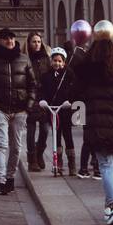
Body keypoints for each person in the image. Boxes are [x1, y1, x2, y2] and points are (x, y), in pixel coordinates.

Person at [69, 19, 113, 225]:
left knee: (106, 165)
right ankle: (112, 205)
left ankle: (112, 205)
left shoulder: (85, 67)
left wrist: (76, 112)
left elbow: (75, 94)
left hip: (98, 122)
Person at [0, 26, 36, 195]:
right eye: (6, 38)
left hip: (19, 110)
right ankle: (0, 180)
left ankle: (10, 176)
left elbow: (32, 85)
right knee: (1, 144)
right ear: (0, 40)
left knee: (16, 147)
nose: (10, 41)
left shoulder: (24, 59)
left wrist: (27, 107)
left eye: (12, 38)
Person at [38, 46, 75, 175]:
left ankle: (72, 164)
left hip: (65, 109)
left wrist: (70, 102)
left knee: (68, 136)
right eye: (55, 60)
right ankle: (58, 162)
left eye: (60, 61)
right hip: (53, 110)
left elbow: (73, 91)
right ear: (51, 61)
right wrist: (42, 101)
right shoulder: (46, 76)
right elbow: (41, 91)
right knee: (56, 136)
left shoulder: (69, 75)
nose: (57, 63)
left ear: (64, 62)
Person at [25, 31, 52, 172]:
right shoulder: (25, 58)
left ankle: (39, 151)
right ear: (29, 43)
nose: (36, 44)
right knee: (30, 130)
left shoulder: (46, 58)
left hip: (44, 97)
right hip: (30, 97)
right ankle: (31, 160)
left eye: (39, 41)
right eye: (34, 41)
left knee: (45, 129)